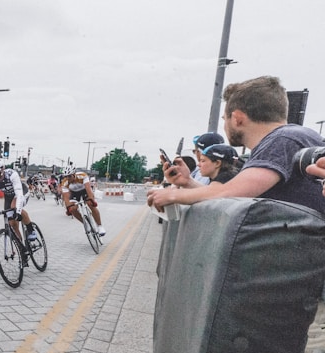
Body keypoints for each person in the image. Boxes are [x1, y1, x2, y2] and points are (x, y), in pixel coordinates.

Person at [148, 75, 325, 214]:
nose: (224, 125)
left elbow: (230, 193)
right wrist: (188, 182)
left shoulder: (282, 139)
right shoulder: (292, 138)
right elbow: (232, 199)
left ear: (238, 118)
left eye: (225, 119)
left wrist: (173, 194)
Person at [0, 157, 38, 255]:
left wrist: (18, 212)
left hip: (21, 192)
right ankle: (22, 249)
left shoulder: (12, 174)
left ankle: (30, 229)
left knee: (14, 207)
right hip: (9, 196)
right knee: (13, 224)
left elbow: (19, 194)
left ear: (2, 170)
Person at [60, 164, 106, 235]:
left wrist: (91, 200)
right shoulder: (64, 183)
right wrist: (68, 208)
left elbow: (88, 188)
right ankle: (85, 223)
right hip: (74, 193)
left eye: (69, 176)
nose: (68, 178)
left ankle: (100, 226)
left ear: (74, 174)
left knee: (90, 204)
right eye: (66, 176)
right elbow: (66, 197)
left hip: (85, 191)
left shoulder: (82, 176)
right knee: (72, 209)